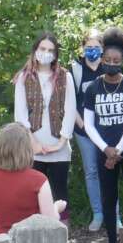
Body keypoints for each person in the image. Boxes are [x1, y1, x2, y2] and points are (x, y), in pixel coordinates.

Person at [83, 26, 123, 243]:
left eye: (116, 61)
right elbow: (88, 123)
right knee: (108, 199)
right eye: (107, 60)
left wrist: (117, 150)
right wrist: (106, 149)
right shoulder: (93, 88)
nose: (111, 64)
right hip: (103, 153)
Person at [14, 32, 76, 221]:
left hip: (59, 147)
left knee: (60, 196)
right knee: (33, 195)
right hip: (32, 148)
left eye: (50, 50)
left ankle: (62, 238)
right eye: (42, 49)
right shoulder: (24, 78)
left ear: (56, 54)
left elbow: (70, 110)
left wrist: (60, 143)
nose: (46, 53)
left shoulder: (65, 77)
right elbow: (20, 114)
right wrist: (34, 143)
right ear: (35, 51)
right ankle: (35, 238)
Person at [70, 28, 112, 231]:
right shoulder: (75, 70)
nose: (93, 51)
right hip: (84, 132)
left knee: (109, 170)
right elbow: (70, 101)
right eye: (89, 47)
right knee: (92, 171)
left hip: (106, 132)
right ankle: (98, 213)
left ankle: (114, 215)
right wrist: (81, 123)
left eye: (96, 47)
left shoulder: (108, 68)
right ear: (83, 48)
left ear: (102, 49)